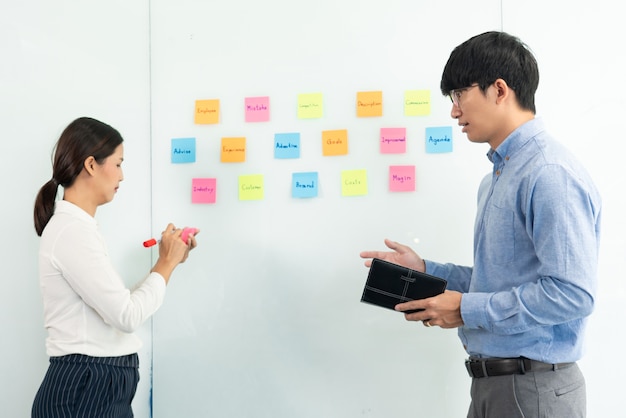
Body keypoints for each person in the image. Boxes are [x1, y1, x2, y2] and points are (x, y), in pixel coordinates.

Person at [360, 31, 601, 418]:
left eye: (459, 95)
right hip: (495, 386)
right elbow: (499, 281)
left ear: (499, 89)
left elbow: (572, 294)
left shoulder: (549, 173)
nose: (454, 111)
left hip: (533, 389)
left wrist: (468, 310)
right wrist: (425, 271)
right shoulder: (495, 179)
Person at [31, 117, 198, 417]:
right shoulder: (71, 231)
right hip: (84, 390)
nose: (122, 175)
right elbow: (126, 315)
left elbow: (117, 306)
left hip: (96, 388)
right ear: (92, 165)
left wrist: (168, 264)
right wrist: (165, 263)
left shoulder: (79, 229)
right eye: (119, 163)